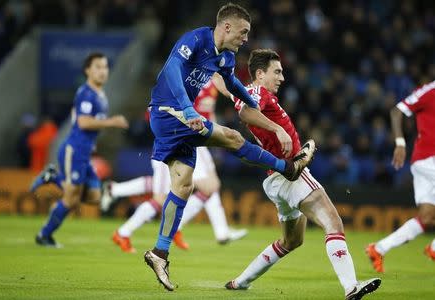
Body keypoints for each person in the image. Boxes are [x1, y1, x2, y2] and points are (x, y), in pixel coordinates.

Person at [144, 3, 315, 291]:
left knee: (183, 186)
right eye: (243, 31)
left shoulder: (225, 56)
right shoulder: (195, 39)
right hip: (168, 112)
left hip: (182, 121)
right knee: (233, 138)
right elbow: (172, 68)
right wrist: (187, 108)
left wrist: (252, 104)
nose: (246, 38)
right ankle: (287, 169)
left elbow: (232, 83)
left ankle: (159, 253)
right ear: (226, 27)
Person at [224, 49, 381, 300]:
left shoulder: (249, 93)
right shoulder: (256, 92)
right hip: (291, 173)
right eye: (277, 71)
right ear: (260, 74)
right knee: (333, 222)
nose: (282, 77)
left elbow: (232, 93)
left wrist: (216, 76)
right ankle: (351, 286)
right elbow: (245, 113)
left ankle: (241, 282)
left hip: (275, 178)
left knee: (291, 241)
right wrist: (279, 130)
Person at [110, 76, 247, 253]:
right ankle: (125, 227)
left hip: (195, 139)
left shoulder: (211, 77)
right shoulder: (190, 77)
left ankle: (207, 230)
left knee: (209, 186)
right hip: (178, 140)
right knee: (166, 196)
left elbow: (208, 112)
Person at [34, 52, 129, 247]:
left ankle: (54, 177)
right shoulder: (86, 93)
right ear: (87, 70)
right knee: (70, 199)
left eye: (105, 67)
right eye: (97, 67)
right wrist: (112, 122)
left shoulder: (101, 96)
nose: (102, 71)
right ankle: (44, 235)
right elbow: (84, 122)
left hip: (85, 153)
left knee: (94, 198)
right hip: (75, 150)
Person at [366, 80, 435, 272]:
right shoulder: (430, 91)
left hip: (423, 162)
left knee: (427, 217)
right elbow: (397, 111)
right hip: (429, 159)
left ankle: (378, 248)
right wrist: (400, 143)